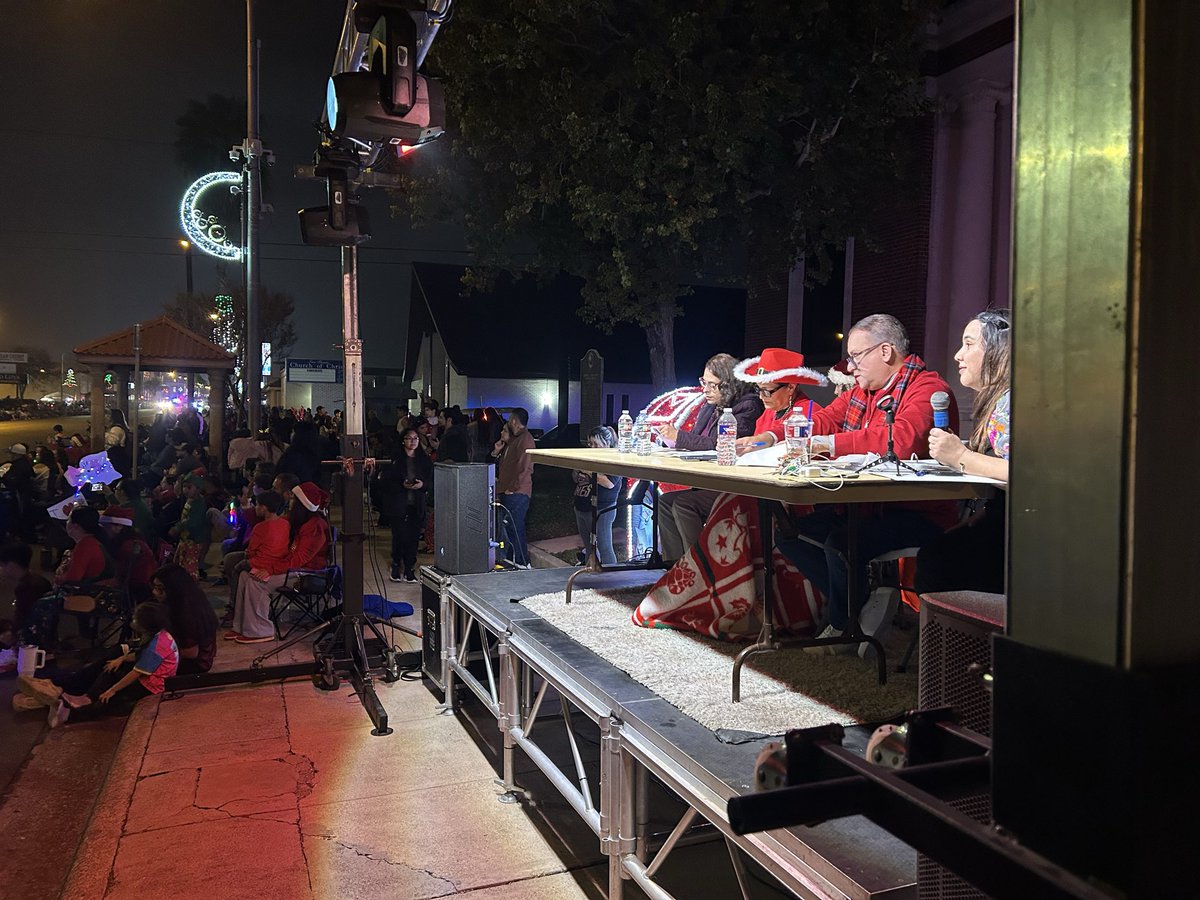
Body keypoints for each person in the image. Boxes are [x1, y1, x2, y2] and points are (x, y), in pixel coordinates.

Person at [777, 313, 960, 652]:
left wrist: (828, 445)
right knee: (790, 534)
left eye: (857, 356)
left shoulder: (929, 389)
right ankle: (858, 608)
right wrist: (768, 438)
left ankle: (842, 626)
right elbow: (823, 420)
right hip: (867, 506)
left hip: (919, 513)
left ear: (886, 351)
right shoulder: (863, 393)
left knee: (840, 542)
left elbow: (901, 440)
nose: (850, 367)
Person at [915, 309, 1011, 594]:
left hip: (1026, 540)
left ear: (999, 351)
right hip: (1005, 522)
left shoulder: (1009, 404)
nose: (958, 355)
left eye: (968, 344)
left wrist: (961, 457)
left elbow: (1027, 471)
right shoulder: (1002, 400)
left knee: (937, 561)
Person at [652, 353, 763, 563]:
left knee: (683, 504)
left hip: (732, 487)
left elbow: (720, 445)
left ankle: (700, 569)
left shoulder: (748, 406)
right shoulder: (710, 406)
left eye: (713, 385)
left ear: (729, 384)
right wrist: (672, 440)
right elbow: (697, 439)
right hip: (708, 482)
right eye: (704, 382)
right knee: (665, 502)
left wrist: (680, 437)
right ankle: (675, 566)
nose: (706, 389)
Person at [44, 601, 178, 727]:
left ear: (145, 625)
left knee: (108, 699)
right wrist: (121, 659)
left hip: (152, 686)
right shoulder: (158, 635)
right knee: (110, 669)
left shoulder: (156, 646)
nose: (133, 621)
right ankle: (87, 698)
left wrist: (112, 690)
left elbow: (137, 673)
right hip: (147, 677)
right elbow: (140, 656)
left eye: (135, 620)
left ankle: (71, 715)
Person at [227, 490, 291, 643]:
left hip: (260, 564)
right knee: (243, 576)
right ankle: (241, 625)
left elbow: (251, 551)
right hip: (274, 563)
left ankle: (254, 626)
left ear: (264, 507)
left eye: (257, 505)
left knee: (238, 570)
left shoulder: (261, 527)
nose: (255, 508)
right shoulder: (285, 523)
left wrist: (248, 554)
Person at [732, 348, 826, 449]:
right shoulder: (769, 411)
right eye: (758, 389)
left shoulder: (810, 412)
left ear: (791, 387)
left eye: (767, 391)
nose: (761, 396)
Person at [378, 428, 433, 583]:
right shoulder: (395, 459)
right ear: (403, 440)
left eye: (416, 438)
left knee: (413, 537)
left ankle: (409, 568)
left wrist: (422, 485)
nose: (413, 441)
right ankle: (396, 565)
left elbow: (431, 481)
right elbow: (385, 480)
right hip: (398, 503)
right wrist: (401, 484)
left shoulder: (424, 459)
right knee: (399, 536)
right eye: (409, 438)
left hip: (416, 503)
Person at [152, 563, 218, 675]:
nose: (154, 592)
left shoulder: (187, 611)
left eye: (160, 588)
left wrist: (152, 654)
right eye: (154, 587)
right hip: (181, 656)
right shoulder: (184, 599)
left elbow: (191, 652)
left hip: (194, 664)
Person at [573, 426, 622, 565]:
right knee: (589, 547)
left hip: (602, 508)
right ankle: (590, 573)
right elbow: (576, 477)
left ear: (606, 443)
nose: (592, 447)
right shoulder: (588, 457)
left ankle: (612, 578)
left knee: (604, 547)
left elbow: (609, 483)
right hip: (582, 505)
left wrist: (588, 470)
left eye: (595, 444)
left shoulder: (614, 460)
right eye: (590, 444)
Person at [492, 408, 535, 567]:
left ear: (515, 421)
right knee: (508, 527)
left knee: (515, 527)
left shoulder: (525, 440)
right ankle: (513, 559)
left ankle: (523, 562)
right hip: (508, 491)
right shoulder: (514, 440)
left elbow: (525, 467)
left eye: (510, 419)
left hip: (517, 493)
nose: (508, 422)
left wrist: (513, 487)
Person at [0, 542, 52, 637]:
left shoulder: (25, 588)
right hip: (43, 630)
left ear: (12, 565)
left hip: (31, 637)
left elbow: (22, 621)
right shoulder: (39, 580)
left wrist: (9, 634)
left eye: (2, 565)